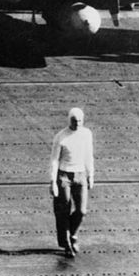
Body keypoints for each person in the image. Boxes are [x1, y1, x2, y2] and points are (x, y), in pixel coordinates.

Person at [49, 107, 95, 258]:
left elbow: (89, 154)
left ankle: (72, 234)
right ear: (69, 120)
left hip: (80, 174)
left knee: (81, 210)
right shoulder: (61, 137)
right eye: (75, 121)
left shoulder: (87, 134)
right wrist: (53, 182)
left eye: (80, 121)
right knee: (63, 211)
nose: (77, 124)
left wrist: (91, 174)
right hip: (64, 176)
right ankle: (66, 243)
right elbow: (54, 160)